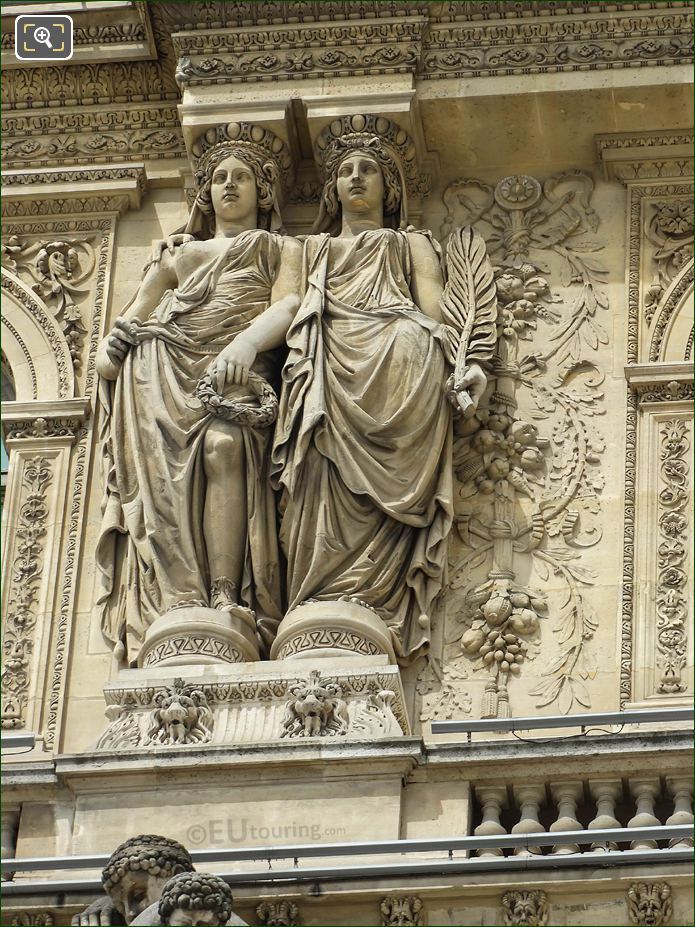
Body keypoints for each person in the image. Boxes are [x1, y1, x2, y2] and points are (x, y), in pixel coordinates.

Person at [271, 125, 490, 664]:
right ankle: (320, 595)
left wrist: (463, 370)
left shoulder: (407, 242)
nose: (355, 178)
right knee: (319, 471)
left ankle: (370, 595)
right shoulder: (310, 247)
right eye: (345, 171)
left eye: (367, 169)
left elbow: (436, 309)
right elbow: (284, 307)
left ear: (390, 186)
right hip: (327, 371)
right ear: (331, 189)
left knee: (409, 337)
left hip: (398, 364)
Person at [95, 126, 301, 665]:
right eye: (218, 179)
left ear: (264, 191)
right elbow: (117, 339)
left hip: (237, 366)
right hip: (161, 371)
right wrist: (116, 346)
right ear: (204, 194)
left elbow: (290, 304)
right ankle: (182, 595)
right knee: (165, 488)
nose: (229, 186)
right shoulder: (176, 257)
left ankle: (227, 592)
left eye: (242, 177)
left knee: (224, 449)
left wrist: (245, 343)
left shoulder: (282, 247)